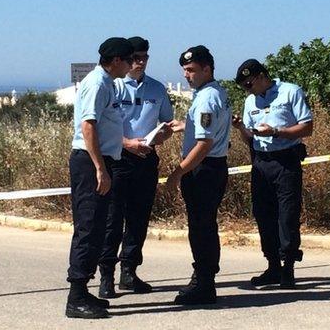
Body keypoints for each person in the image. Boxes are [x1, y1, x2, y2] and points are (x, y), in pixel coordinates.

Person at [98, 36, 174, 298]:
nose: (140, 62)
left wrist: (161, 136)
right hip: (119, 158)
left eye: (144, 58)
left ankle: (129, 271)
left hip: (146, 159)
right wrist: (127, 143)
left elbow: (167, 123)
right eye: (136, 58)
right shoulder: (113, 86)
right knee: (112, 219)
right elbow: (98, 128)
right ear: (127, 59)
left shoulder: (157, 89)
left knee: (139, 217)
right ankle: (106, 274)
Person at [65, 37, 134, 319]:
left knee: (98, 228)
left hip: (101, 160)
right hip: (89, 162)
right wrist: (99, 168)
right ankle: (75, 296)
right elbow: (88, 125)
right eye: (129, 59)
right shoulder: (97, 83)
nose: (132, 65)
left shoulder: (107, 83)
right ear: (117, 60)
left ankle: (84, 291)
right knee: (88, 226)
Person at [231, 59, 313, 288]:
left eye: (249, 84)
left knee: (287, 215)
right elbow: (250, 138)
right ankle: (273, 266)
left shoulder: (290, 91)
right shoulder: (250, 101)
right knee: (263, 214)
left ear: (260, 76)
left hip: (286, 159)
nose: (248, 90)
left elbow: (307, 127)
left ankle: (288, 267)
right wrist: (240, 128)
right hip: (261, 162)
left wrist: (276, 131)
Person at [165, 45, 231, 305]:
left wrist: (177, 173)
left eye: (191, 70)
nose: (186, 75)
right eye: (184, 70)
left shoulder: (206, 98)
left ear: (207, 69)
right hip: (213, 167)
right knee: (205, 226)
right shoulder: (214, 92)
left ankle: (203, 283)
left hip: (204, 171)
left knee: (201, 228)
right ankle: (204, 278)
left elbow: (204, 145)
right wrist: (185, 125)